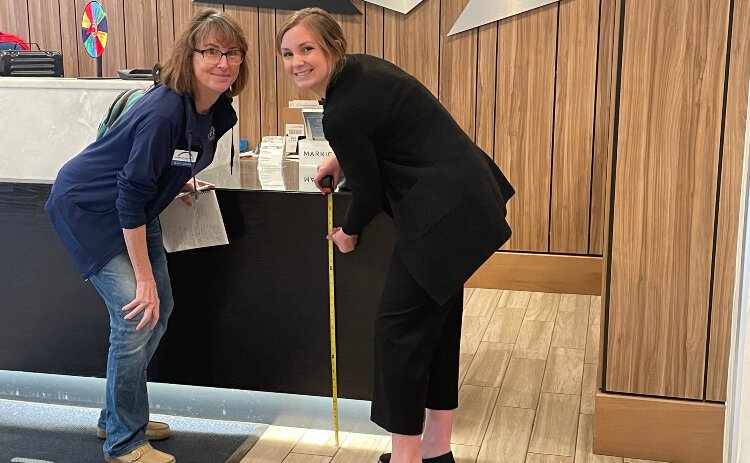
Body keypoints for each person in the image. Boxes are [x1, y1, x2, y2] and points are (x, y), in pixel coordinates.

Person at [277, 8, 514, 463]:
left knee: (398, 333)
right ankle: (436, 450)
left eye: (307, 49)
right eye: (288, 54)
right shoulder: (362, 70)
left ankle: (406, 459)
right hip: (470, 200)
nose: (297, 62)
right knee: (435, 329)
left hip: (442, 217)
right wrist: (341, 158)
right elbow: (380, 129)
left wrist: (347, 231)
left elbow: (368, 191)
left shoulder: (342, 111)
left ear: (332, 46)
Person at [45, 9, 248, 463]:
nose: (223, 62)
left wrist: (181, 181)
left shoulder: (217, 110)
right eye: (211, 51)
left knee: (161, 311)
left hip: (134, 208)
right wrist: (143, 277)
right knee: (137, 316)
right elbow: (130, 191)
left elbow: (174, 160)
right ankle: (124, 442)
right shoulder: (164, 111)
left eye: (232, 52)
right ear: (189, 56)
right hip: (92, 209)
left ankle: (118, 415)